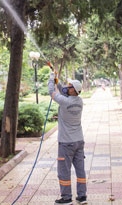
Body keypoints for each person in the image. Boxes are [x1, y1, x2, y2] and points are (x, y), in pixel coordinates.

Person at [48, 71, 87, 205]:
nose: (67, 87)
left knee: (64, 171)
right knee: (80, 169)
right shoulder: (80, 101)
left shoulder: (64, 102)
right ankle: (82, 196)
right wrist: (58, 81)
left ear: (73, 91)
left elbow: (51, 91)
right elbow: (64, 91)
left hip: (66, 143)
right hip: (79, 141)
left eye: (70, 86)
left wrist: (51, 78)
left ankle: (66, 198)